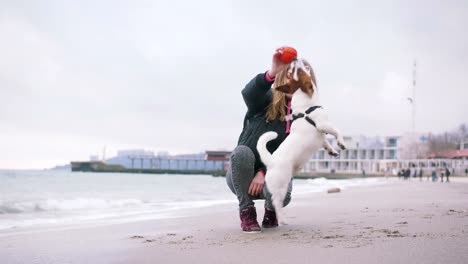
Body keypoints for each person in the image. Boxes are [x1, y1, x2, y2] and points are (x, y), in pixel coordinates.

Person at [226, 47, 317, 233]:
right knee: (241, 152)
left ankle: (271, 210)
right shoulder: (264, 101)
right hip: (242, 176)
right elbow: (248, 93)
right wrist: (272, 73)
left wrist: (264, 172)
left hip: (273, 180)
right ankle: (246, 211)